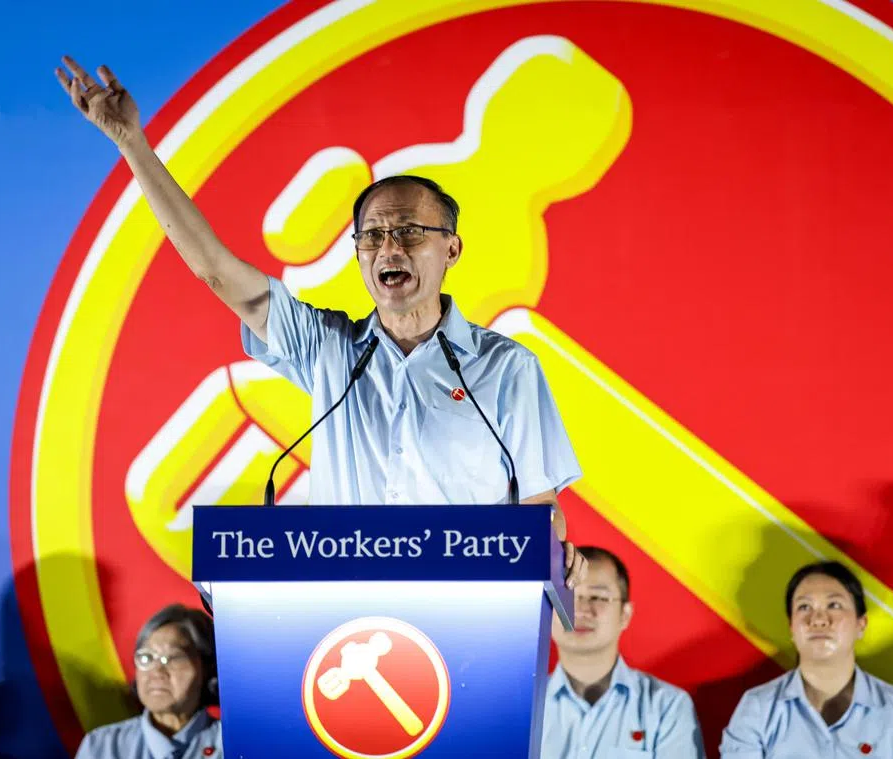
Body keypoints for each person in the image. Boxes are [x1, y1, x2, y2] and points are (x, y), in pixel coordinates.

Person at [54, 57, 585, 586]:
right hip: (345, 616)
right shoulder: (328, 349)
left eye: (408, 231)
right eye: (372, 236)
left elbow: (540, 509)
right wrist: (132, 144)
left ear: (451, 249)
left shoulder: (506, 368)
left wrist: (555, 559)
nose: (388, 248)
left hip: (471, 615)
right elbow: (216, 270)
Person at [720, 561, 893, 758]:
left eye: (834, 605)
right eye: (804, 607)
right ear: (791, 627)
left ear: (861, 624)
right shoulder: (758, 708)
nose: (819, 619)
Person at [542, 546, 704, 757]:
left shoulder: (666, 706)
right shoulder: (519, 707)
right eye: (566, 596)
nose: (579, 610)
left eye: (597, 597)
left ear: (625, 614)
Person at [75, 604, 221, 759]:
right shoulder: (102, 746)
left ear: (207, 667)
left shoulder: (230, 743)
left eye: (174, 657)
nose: (156, 671)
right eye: (146, 657)